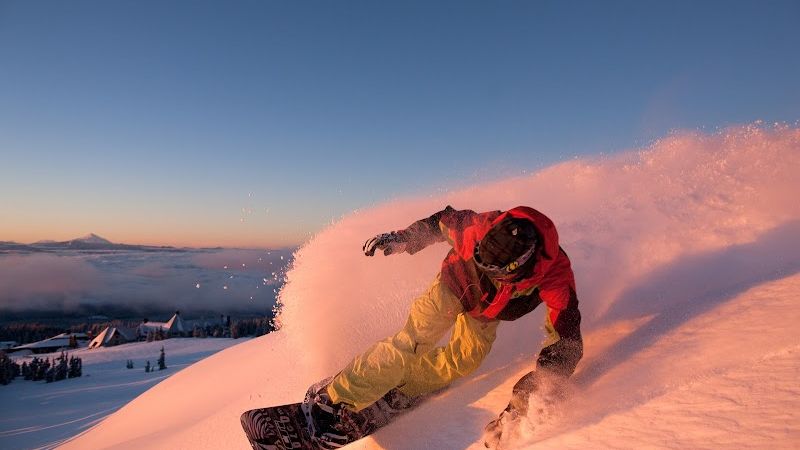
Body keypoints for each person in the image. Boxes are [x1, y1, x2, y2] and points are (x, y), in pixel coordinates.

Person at [304, 205, 583, 448]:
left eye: (493, 271)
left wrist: (539, 389)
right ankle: (333, 398)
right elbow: (441, 221)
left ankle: (404, 387)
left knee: (464, 360)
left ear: (522, 267)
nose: (484, 270)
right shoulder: (480, 228)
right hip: (452, 288)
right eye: (480, 257)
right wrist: (402, 238)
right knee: (412, 342)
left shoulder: (556, 275)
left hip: (484, 314)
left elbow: (565, 338)